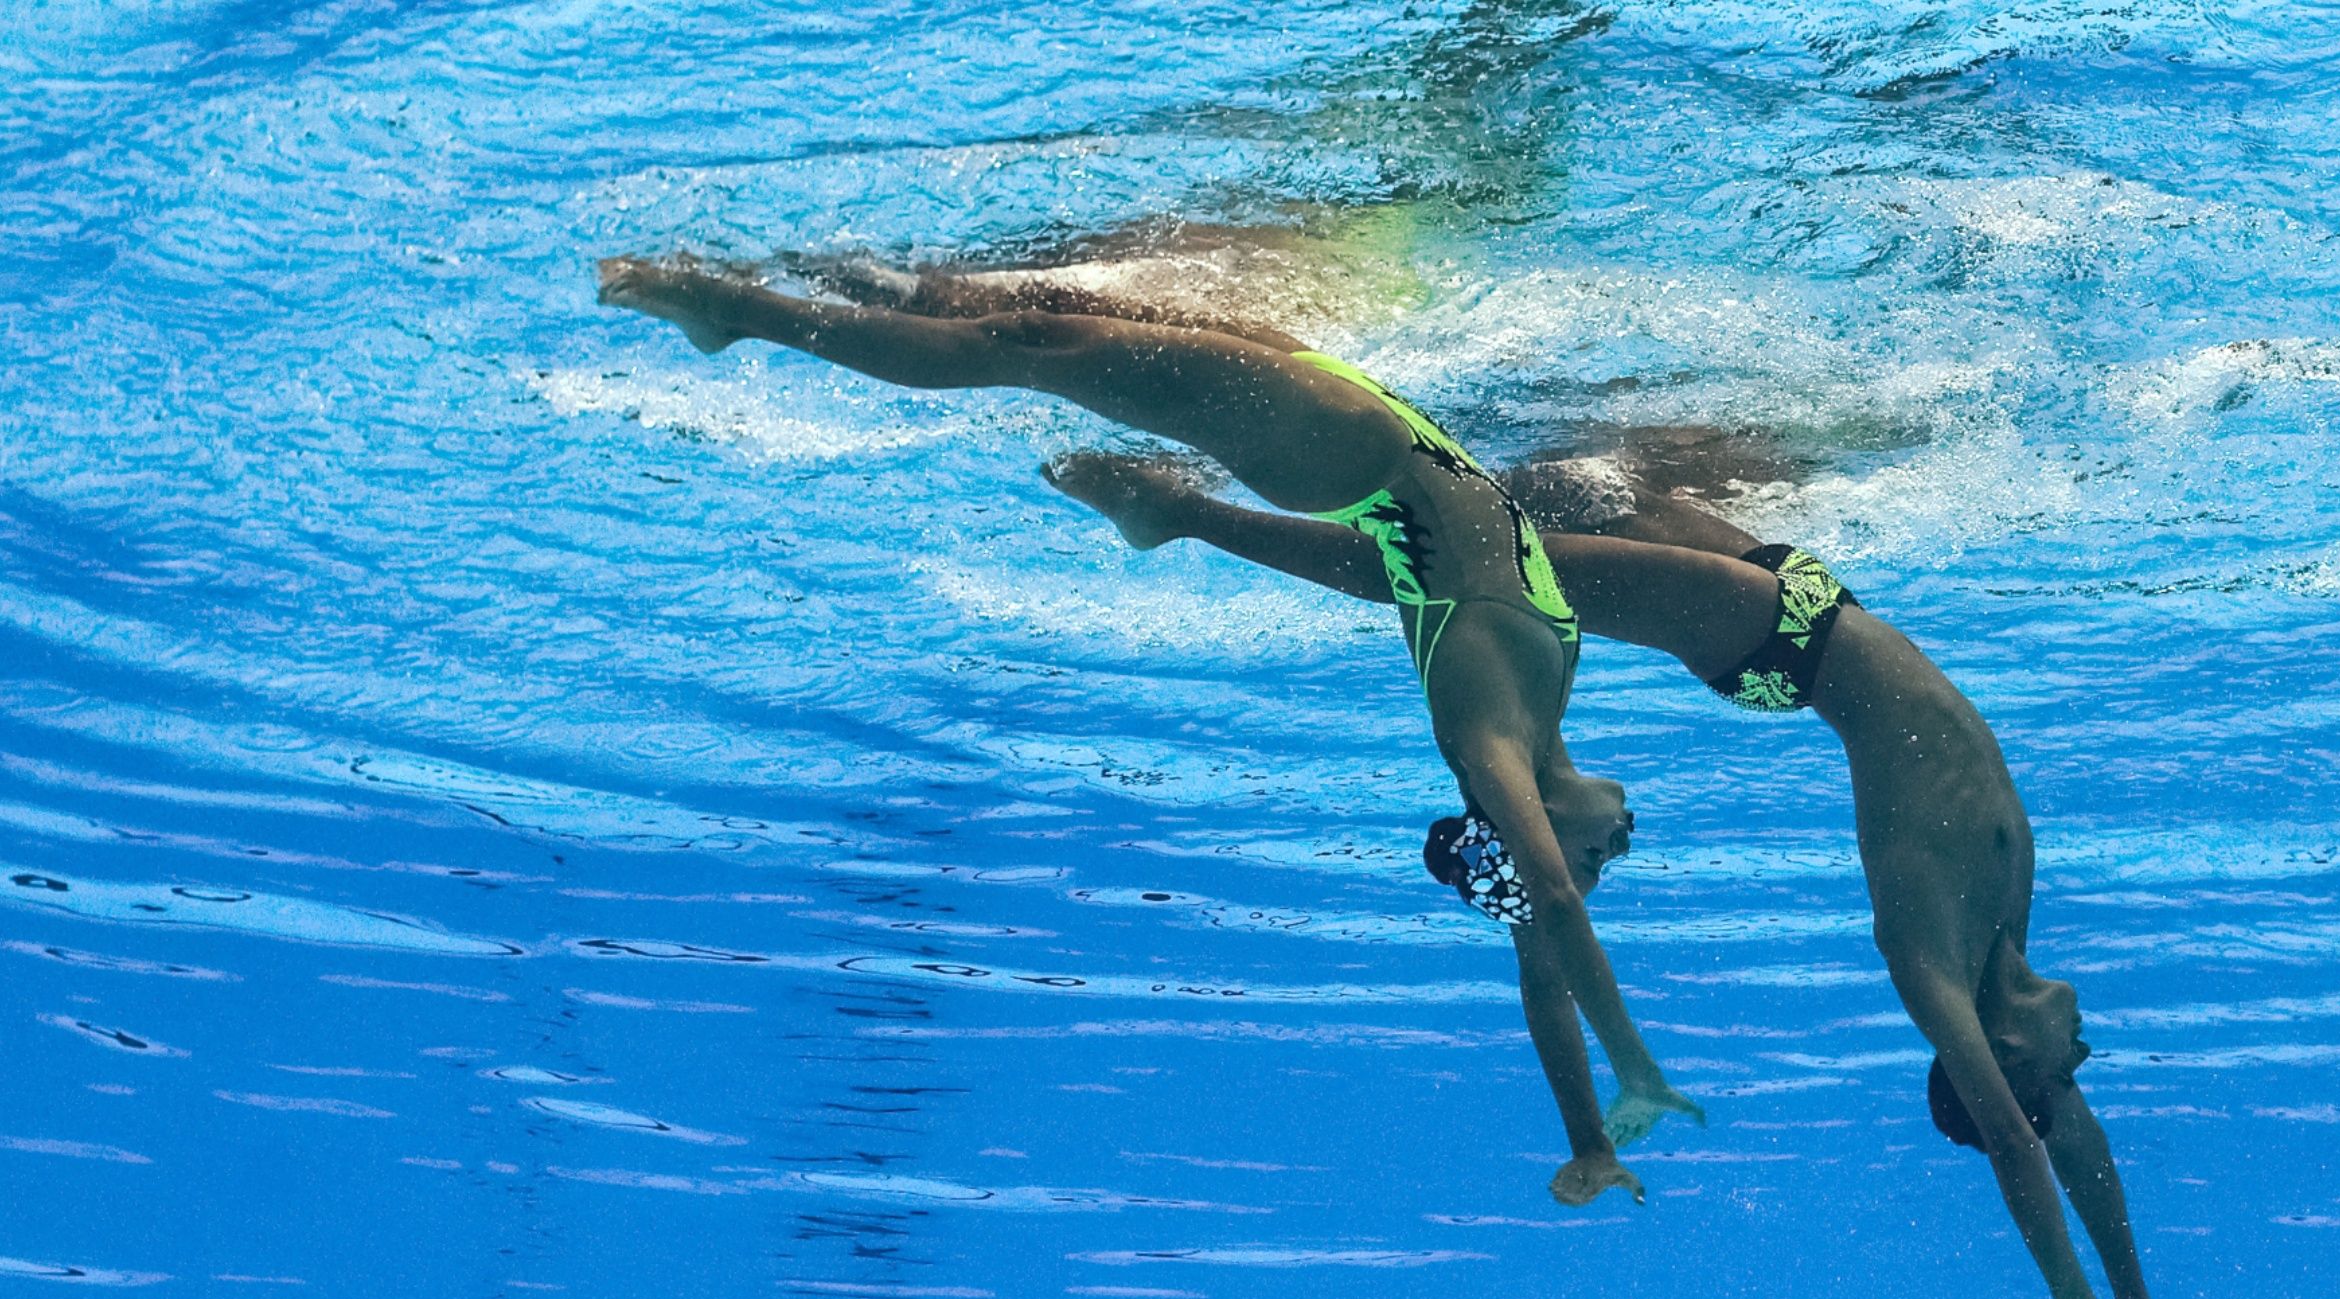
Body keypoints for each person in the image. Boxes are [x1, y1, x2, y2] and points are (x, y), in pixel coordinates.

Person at [1046, 444, 2166, 1299]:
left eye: (2060, 1073)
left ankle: (1180, 511)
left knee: (1462, 564)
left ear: (2003, 1063)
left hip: (1782, 640)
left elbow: (2025, 1153)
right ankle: (1469, 453)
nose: (2085, 1061)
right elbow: (2060, 1137)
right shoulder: (2005, 942)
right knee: (1578, 484)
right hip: (1809, 609)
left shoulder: (1930, 961)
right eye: (2072, 1080)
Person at [593, 255, 1701, 1207]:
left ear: (1532, 829)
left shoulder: (1487, 737)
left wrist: (1637, 1073)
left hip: (1340, 446)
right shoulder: (1541, 708)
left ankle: (736, 312)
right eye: (1606, 861)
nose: (1619, 844)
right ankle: (871, 307)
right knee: (1052, 329)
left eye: (1599, 855)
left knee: (1028, 344)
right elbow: (1538, 958)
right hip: (1367, 428)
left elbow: (1550, 912)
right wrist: (1589, 1142)